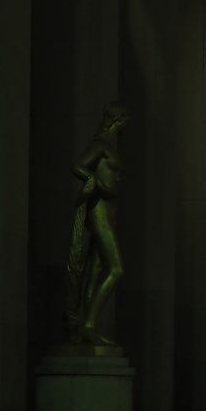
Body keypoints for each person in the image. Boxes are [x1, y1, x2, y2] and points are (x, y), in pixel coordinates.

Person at [63, 101, 129, 345]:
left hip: (108, 210)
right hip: (99, 209)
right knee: (117, 268)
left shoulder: (108, 145)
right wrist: (99, 187)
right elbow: (78, 166)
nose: (126, 123)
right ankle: (89, 324)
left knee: (98, 269)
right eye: (125, 118)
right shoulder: (101, 145)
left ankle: (87, 327)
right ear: (119, 119)